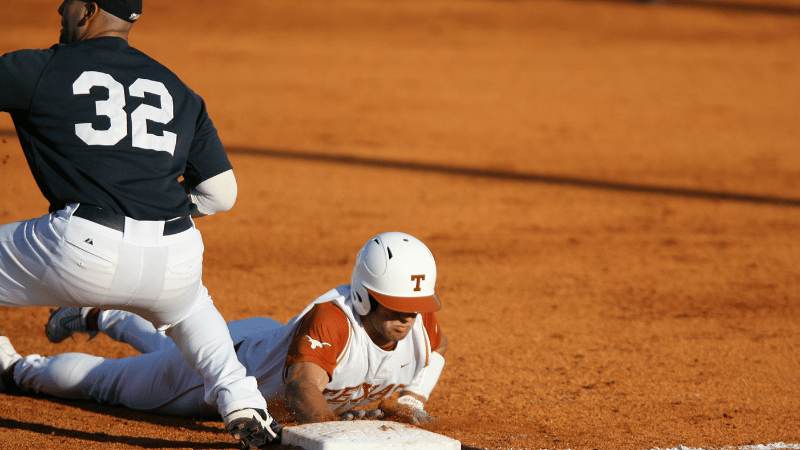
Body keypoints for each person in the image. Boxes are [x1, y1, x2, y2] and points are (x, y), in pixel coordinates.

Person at [0, 1, 280, 447]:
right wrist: (152, 211)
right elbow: (221, 194)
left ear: (89, 9)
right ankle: (243, 402)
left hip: (79, 248)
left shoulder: (41, 67)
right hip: (175, 254)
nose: (60, 7)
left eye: (69, 0)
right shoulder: (179, 90)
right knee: (191, 311)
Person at [0, 232, 448, 427]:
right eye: (396, 307)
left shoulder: (420, 323)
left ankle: (103, 314)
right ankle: (17, 369)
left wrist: (411, 399)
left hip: (261, 338)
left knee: (165, 339)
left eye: (415, 307)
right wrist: (338, 437)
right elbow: (300, 392)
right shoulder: (332, 321)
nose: (408, 318)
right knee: (105, 384)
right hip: (223, 371)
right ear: (365, 296)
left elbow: (435, 354)